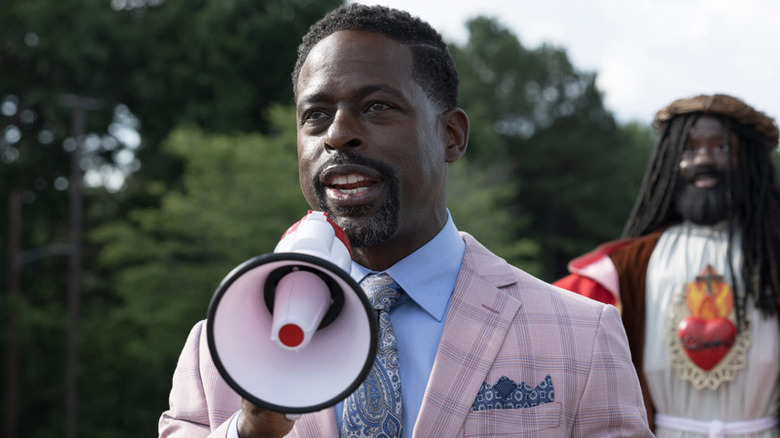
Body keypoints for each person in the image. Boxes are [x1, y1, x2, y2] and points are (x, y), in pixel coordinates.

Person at [158, 4, 651, 437]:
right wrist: (249, 433)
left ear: (452, 136)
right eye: (315, 115)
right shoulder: (218, 349)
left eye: (376, 107)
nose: (338, 134)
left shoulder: (581, 335)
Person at [555, 93, 780, 437]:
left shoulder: (773, 255)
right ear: (669, 162)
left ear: (749, 160)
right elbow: (547, 318)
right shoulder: (627, 268)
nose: (704, 159)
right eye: (689, 150)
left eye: (722, 148)